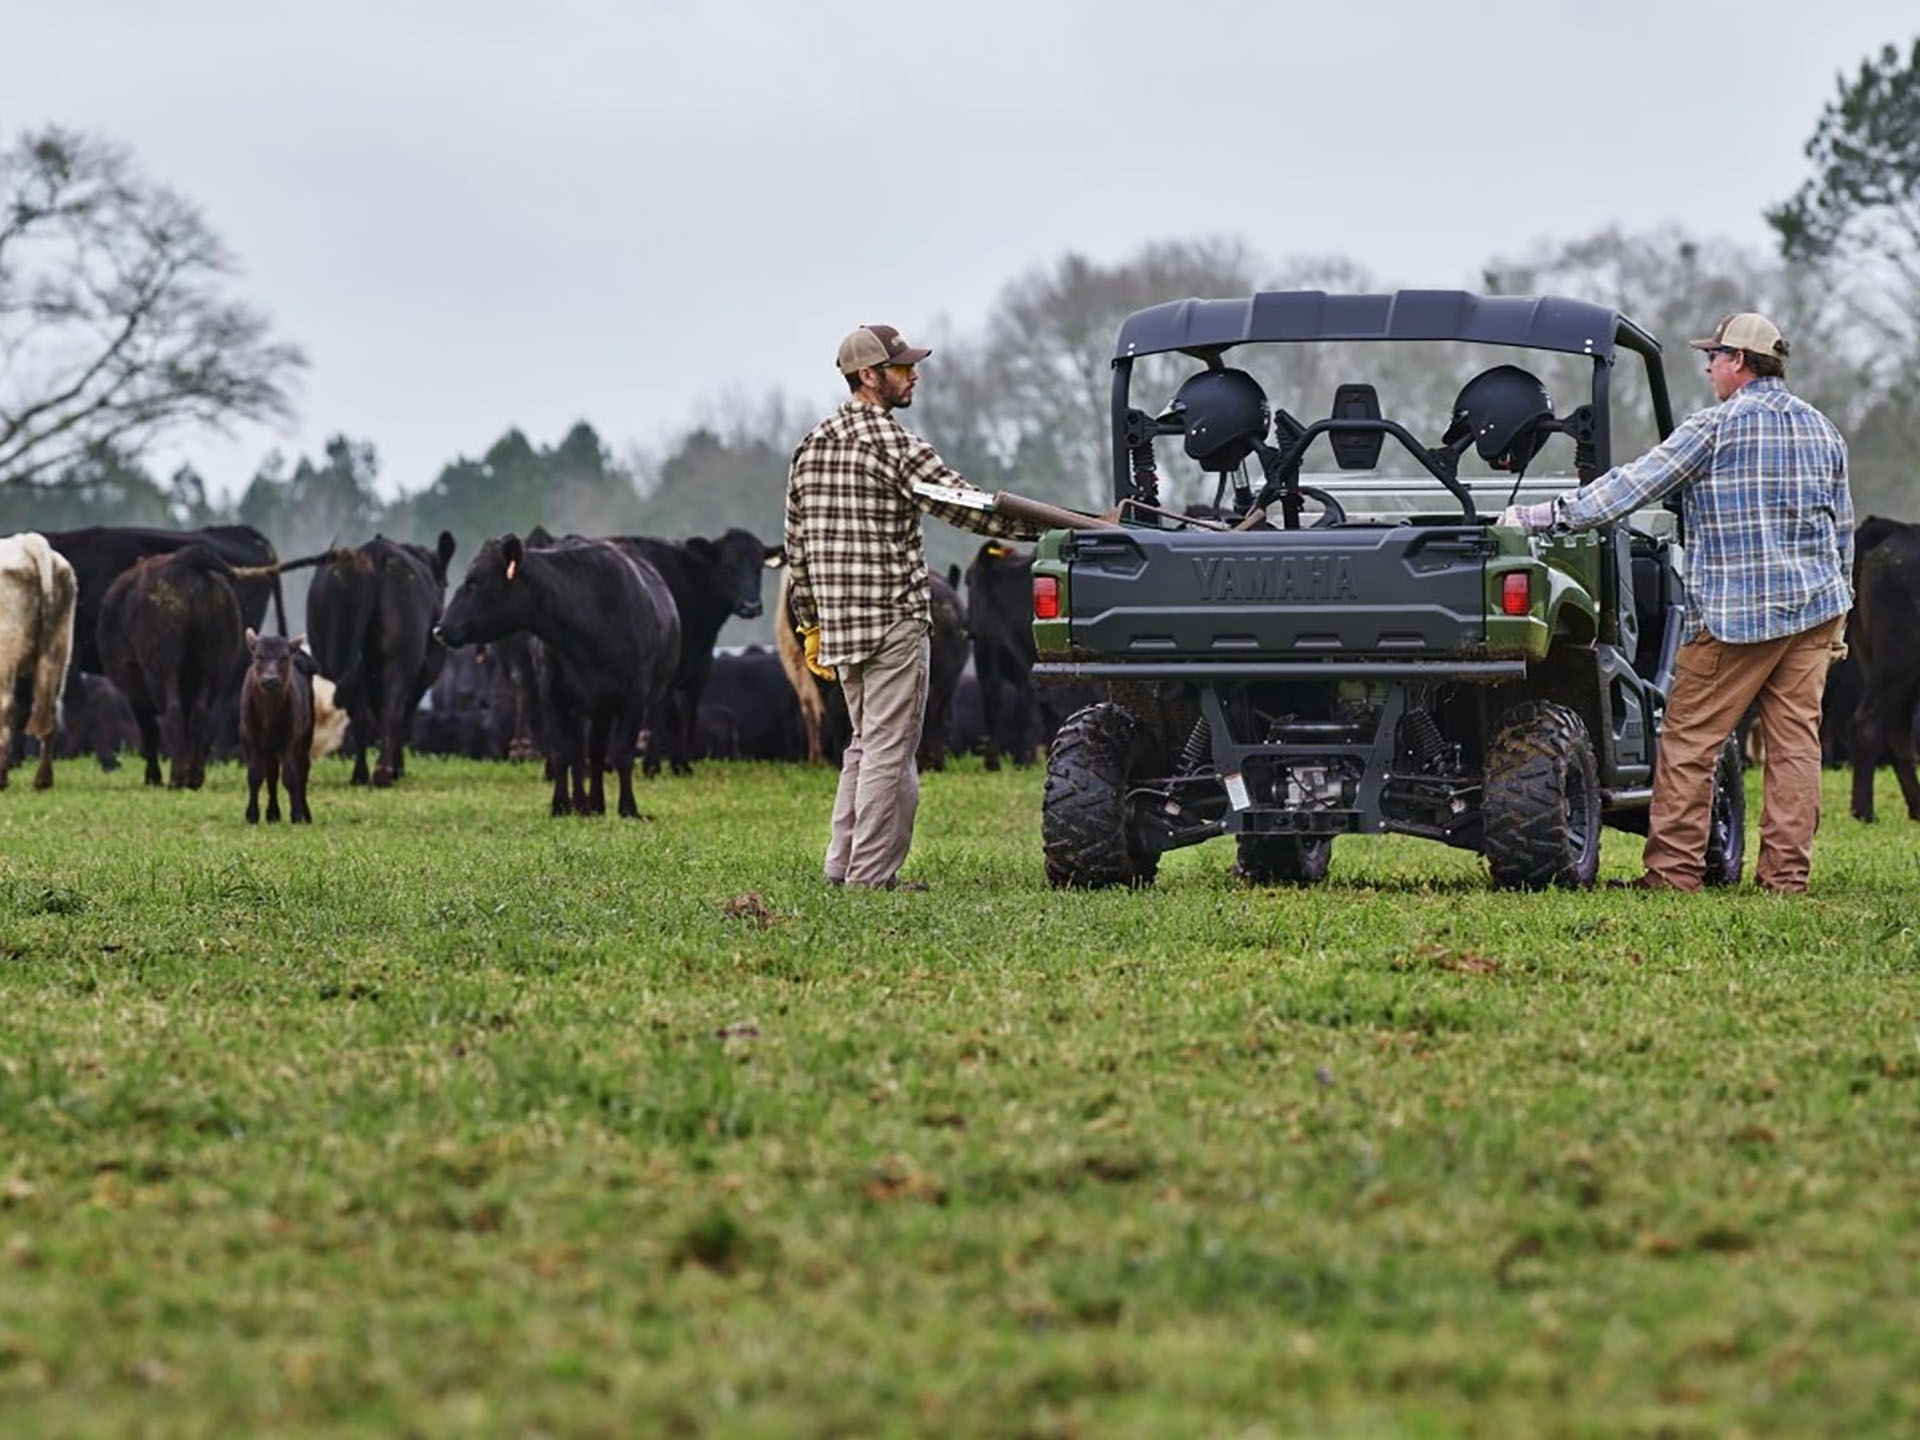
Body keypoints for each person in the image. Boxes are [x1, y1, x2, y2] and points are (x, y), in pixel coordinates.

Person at [1501, 312, 1853, 893]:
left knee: (1690, 741)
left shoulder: (1713, 428)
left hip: (1736, 618)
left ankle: (1671, 874)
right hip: (1814, 611)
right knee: (1796, 749)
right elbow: (1842, 529)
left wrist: (1539, 517)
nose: (1710, 367)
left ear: (1738, 361)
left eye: (1713, 357)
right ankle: (1786, 879)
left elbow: (1627, 489)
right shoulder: (1823, 431)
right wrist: (1840, 613)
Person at [784, 324, 1035, 891]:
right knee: (891, 753)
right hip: (894, 623)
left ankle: (840, 866)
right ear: (869, 377)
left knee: (863, 745)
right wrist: (1053, 526)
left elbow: (796, 545)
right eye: (901, 368)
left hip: (840, 628)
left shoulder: (811, 445)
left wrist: (809, 624)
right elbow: (970, 509)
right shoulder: (894, 444)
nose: (913, 373)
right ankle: (870, 878)